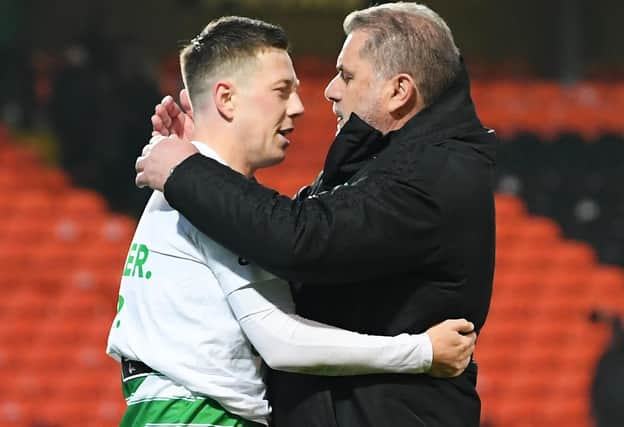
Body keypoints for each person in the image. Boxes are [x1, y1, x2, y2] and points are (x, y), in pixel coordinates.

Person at [136, 4, 495, 426]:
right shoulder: (387, 166)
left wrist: (189, 172)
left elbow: (299, 240)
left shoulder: (432, 176)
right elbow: (284, 237)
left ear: (399, 91)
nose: (328, 92)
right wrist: (207, 154)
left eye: (346, 75)